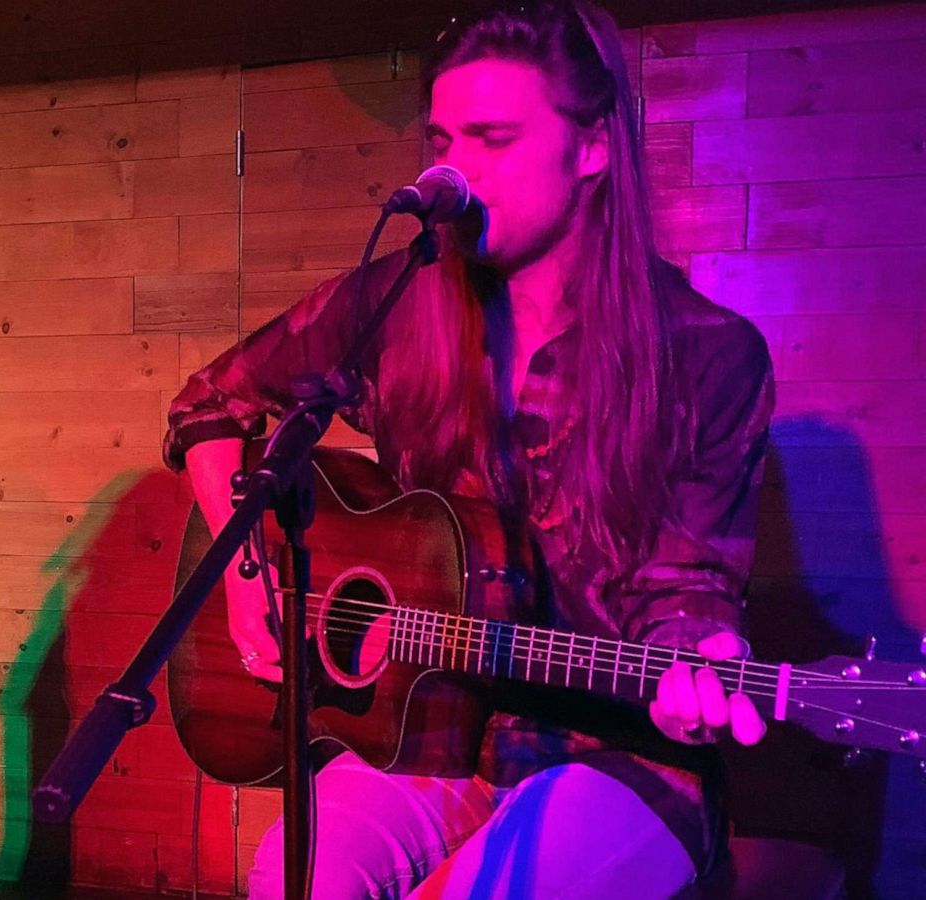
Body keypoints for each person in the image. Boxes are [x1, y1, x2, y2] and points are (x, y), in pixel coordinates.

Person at [163, 3, 775, 897]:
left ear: (593, 148)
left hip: (615, 754)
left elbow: (687, 589)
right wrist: (244, 580)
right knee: (295, 881)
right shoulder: (399, 302)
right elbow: (210, 407)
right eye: (445, 135)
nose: (452, 167)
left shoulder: (706, 353)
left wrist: (701, 658)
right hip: (421, 731)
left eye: (493, 138)